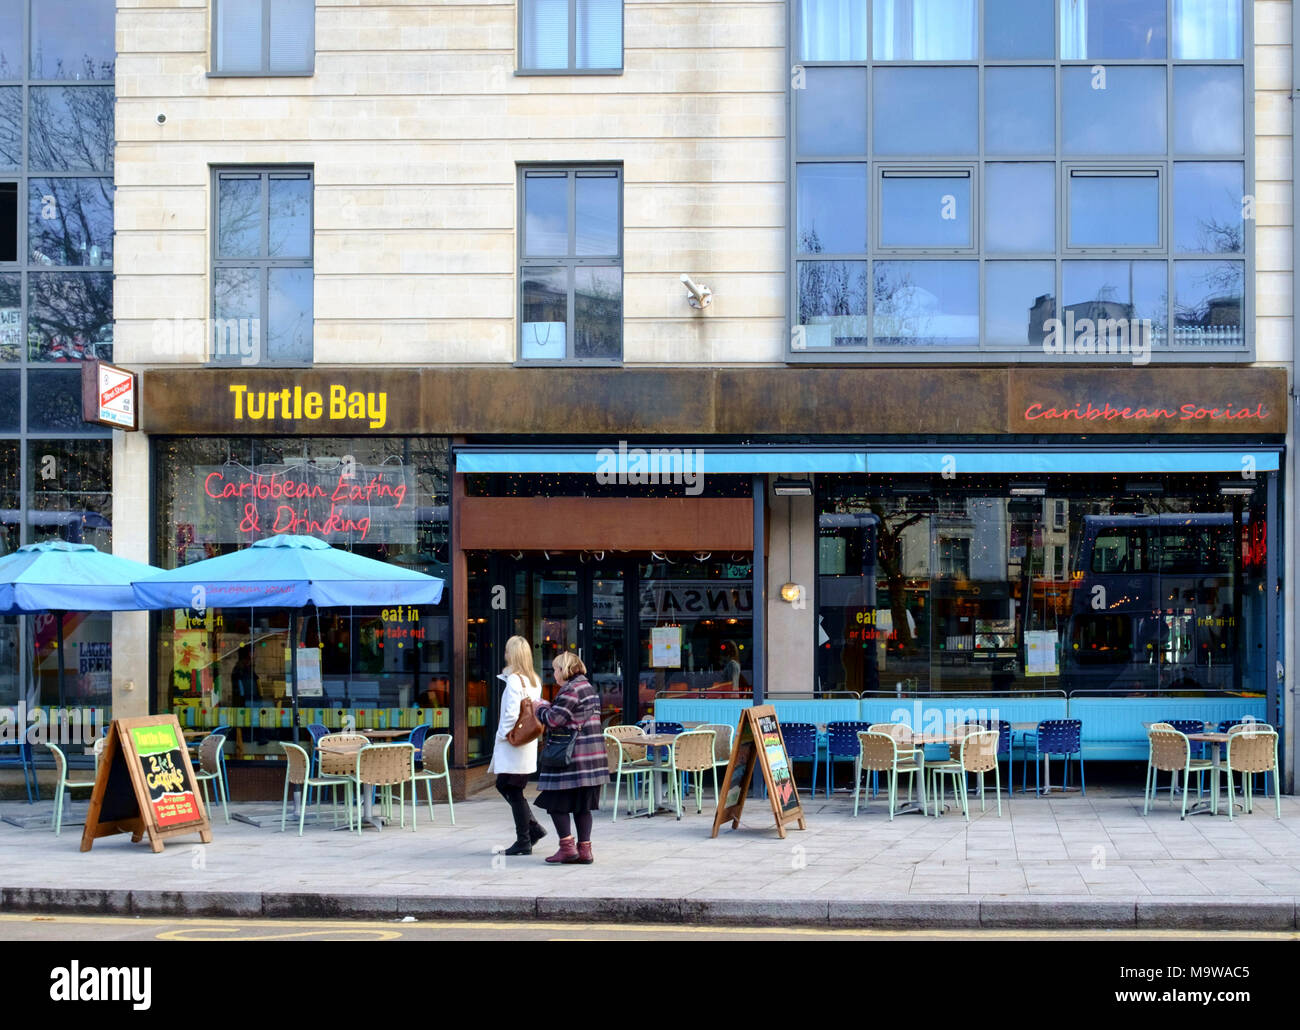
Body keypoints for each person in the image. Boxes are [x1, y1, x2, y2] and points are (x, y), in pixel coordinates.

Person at [533, 650, 604, 864]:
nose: (553, 673)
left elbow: (554, 720)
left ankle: (567, 848)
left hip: (571, 758)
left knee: (556, 803)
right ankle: (585, 850)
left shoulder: (571, 690)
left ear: (564, 669)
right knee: (582, 806)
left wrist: (540, 708)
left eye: (555, 669)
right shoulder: (587, 686)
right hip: (590, 757)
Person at [488, 635, 547, 856]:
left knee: (510, 788)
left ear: (513, 654)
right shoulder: (534, 679)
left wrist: (503, 735)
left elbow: (511, 714)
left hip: (513, 743)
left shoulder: (514, 680)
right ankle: (531, 830)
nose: (504, 654)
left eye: (507, 651)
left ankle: (525, 837)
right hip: (527, 742)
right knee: (511, 787)